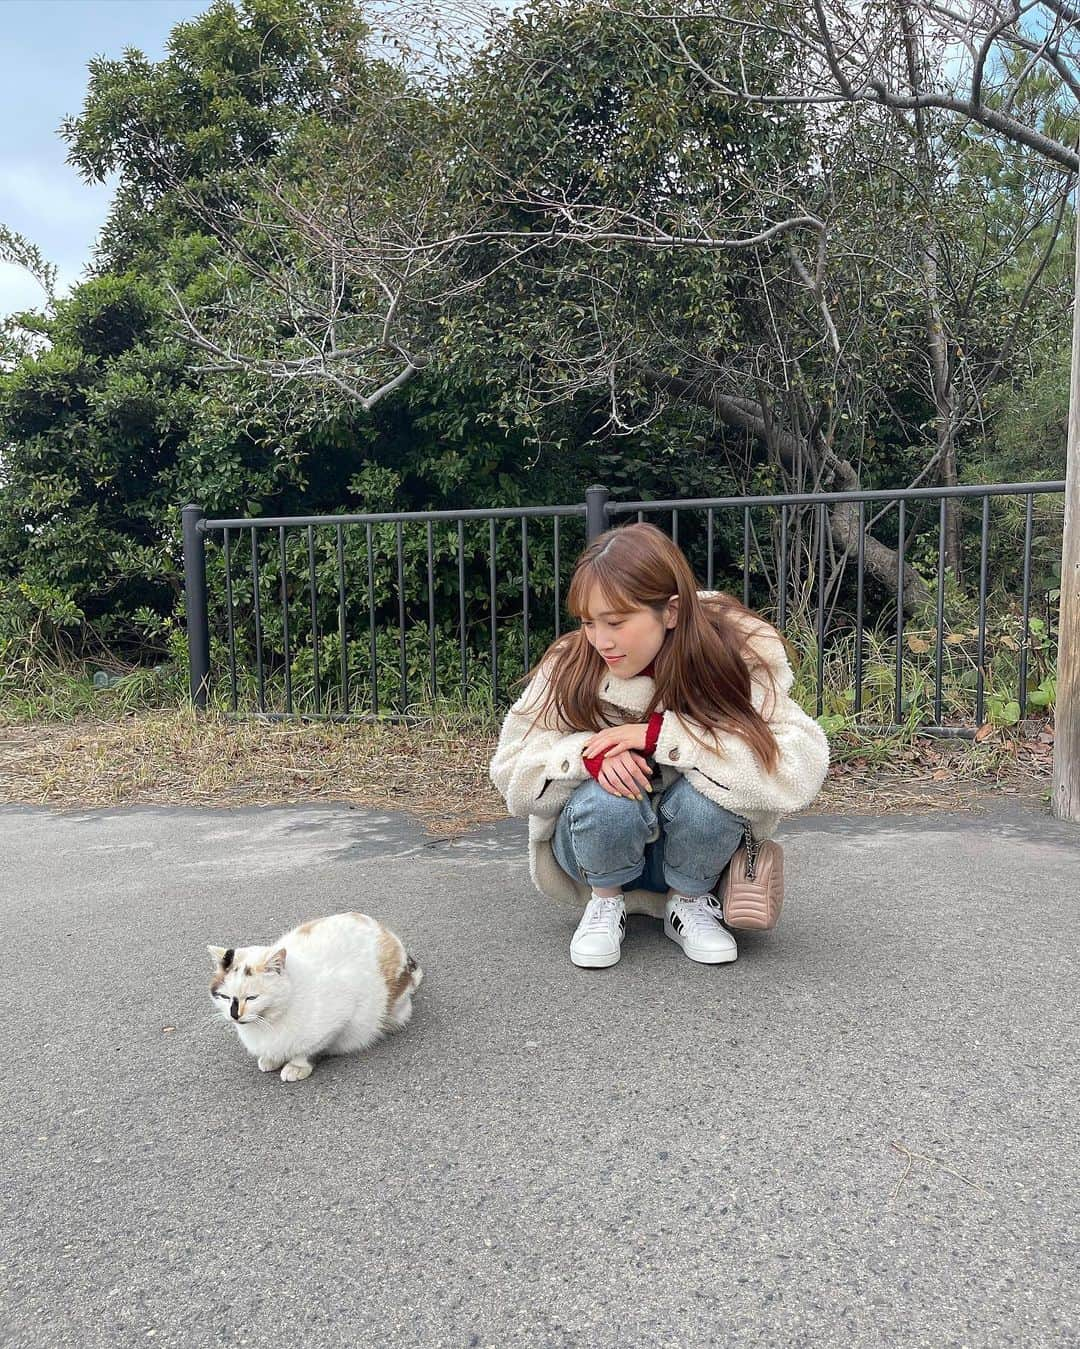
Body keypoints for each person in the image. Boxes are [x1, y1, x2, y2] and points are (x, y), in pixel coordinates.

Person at [489, 522, 830, 968]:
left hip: (703, 857)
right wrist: (589, 756)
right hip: (591, 853)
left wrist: (664, 739)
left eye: (616, 622)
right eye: (589, 622)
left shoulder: (735, 652)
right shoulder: (570, 664)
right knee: (608, 795)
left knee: (709, 800)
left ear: (669, 612)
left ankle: (689, 901)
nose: (601, 641)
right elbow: (509, 773)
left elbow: (798, 764)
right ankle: (605, 901)